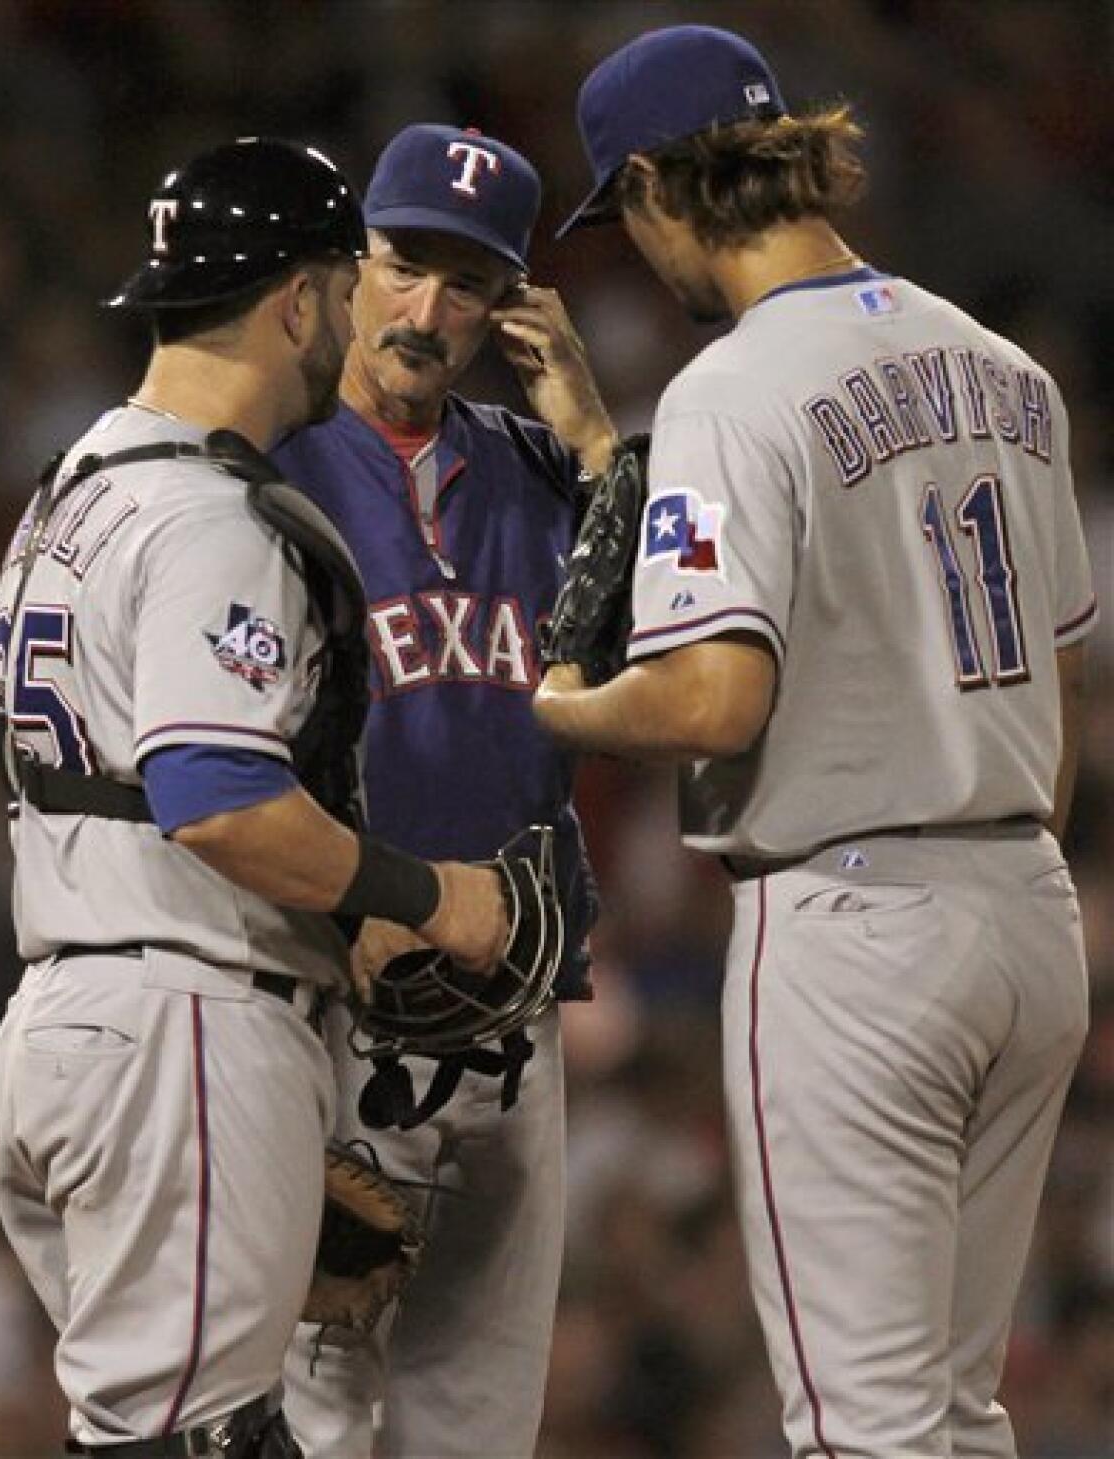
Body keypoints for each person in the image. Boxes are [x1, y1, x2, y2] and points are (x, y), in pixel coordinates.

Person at [535, 25, 1096, 1459]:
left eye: (629, 208)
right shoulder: (1004, 369)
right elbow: (1065, 693)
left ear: (661, 183)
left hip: (858, 926)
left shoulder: (731, 387)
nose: (637, 245)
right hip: (1029, 906)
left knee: (865, 1430)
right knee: (960, 1418)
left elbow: (713, 700)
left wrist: (552, 706)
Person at [0, 136, 510, 1459]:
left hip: (77, 1019)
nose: (358, 319)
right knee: (191, 1442)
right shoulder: (211, 518)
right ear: (295, 300)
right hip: (182, 1031)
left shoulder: (74, 490)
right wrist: (423, 895)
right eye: (347, 287)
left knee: (188, 1429)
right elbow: (216, 797)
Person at [272, 123, 616, 1459]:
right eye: (406, 265)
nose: (428, 310)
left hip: (518, 1007)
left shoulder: (539, 471)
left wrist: (593, 433)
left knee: (479, 1423)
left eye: (467, 282)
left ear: (511, 306)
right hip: (329, 1006)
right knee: (310, 1412)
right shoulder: (275, 461)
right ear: (350, 263)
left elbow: (688, 631)